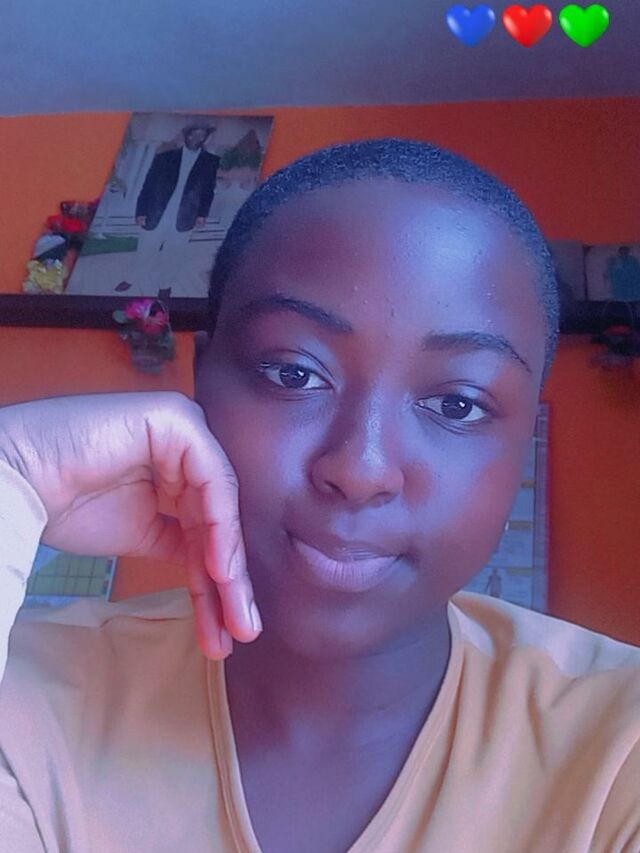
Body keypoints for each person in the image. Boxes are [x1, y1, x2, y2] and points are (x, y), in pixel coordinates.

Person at [0, 139, 638, 852]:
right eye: (294, 373)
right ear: (202, 383)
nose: (361, 469)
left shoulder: (618, 749)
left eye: (457, 405)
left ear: (522, 442)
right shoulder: (27, 696)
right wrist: (10, 472)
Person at [134, 121, 220, 294]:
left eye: (201, 134)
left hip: (186, 214)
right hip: (156, 211)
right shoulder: (164, 157)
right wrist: (141, 211)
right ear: (186, 135)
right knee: (146, 249)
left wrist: (202, 214)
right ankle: (136, 279)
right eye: (193, 133)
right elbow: (148, 185)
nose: (196, 138)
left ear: (205, 137)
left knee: (174, 252)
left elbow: (209, 190)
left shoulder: (211, 161)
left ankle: (165, 286)